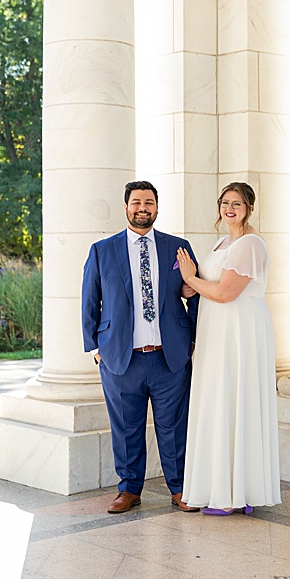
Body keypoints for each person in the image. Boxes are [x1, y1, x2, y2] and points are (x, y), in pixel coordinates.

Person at [81, 181, 200, 514]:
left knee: (174, 426)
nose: (142, 207)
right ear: (126, 207)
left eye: (149, 202)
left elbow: (196, 292)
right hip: (121, 358)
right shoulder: (102, 250)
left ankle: (179, 489)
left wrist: (190, 340)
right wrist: (95, 347)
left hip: (169, 357)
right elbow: (89, 300)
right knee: (126, 426)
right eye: (136, 202)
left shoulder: (178, 247)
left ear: (157, 208)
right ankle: (129, 490)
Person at [175, 182, 281, 515]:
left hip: (238, 330)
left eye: (236, 203)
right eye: (224, 202)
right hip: (216, 330)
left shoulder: (249, 243)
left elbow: (225, 293)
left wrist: (192, 279)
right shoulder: (224, 241)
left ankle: (237, 492)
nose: (229, 208)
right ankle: (231, 487)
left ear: (249, 207)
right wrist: (190, 286)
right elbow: (210, 286)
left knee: (237, 399)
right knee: (221, 399)